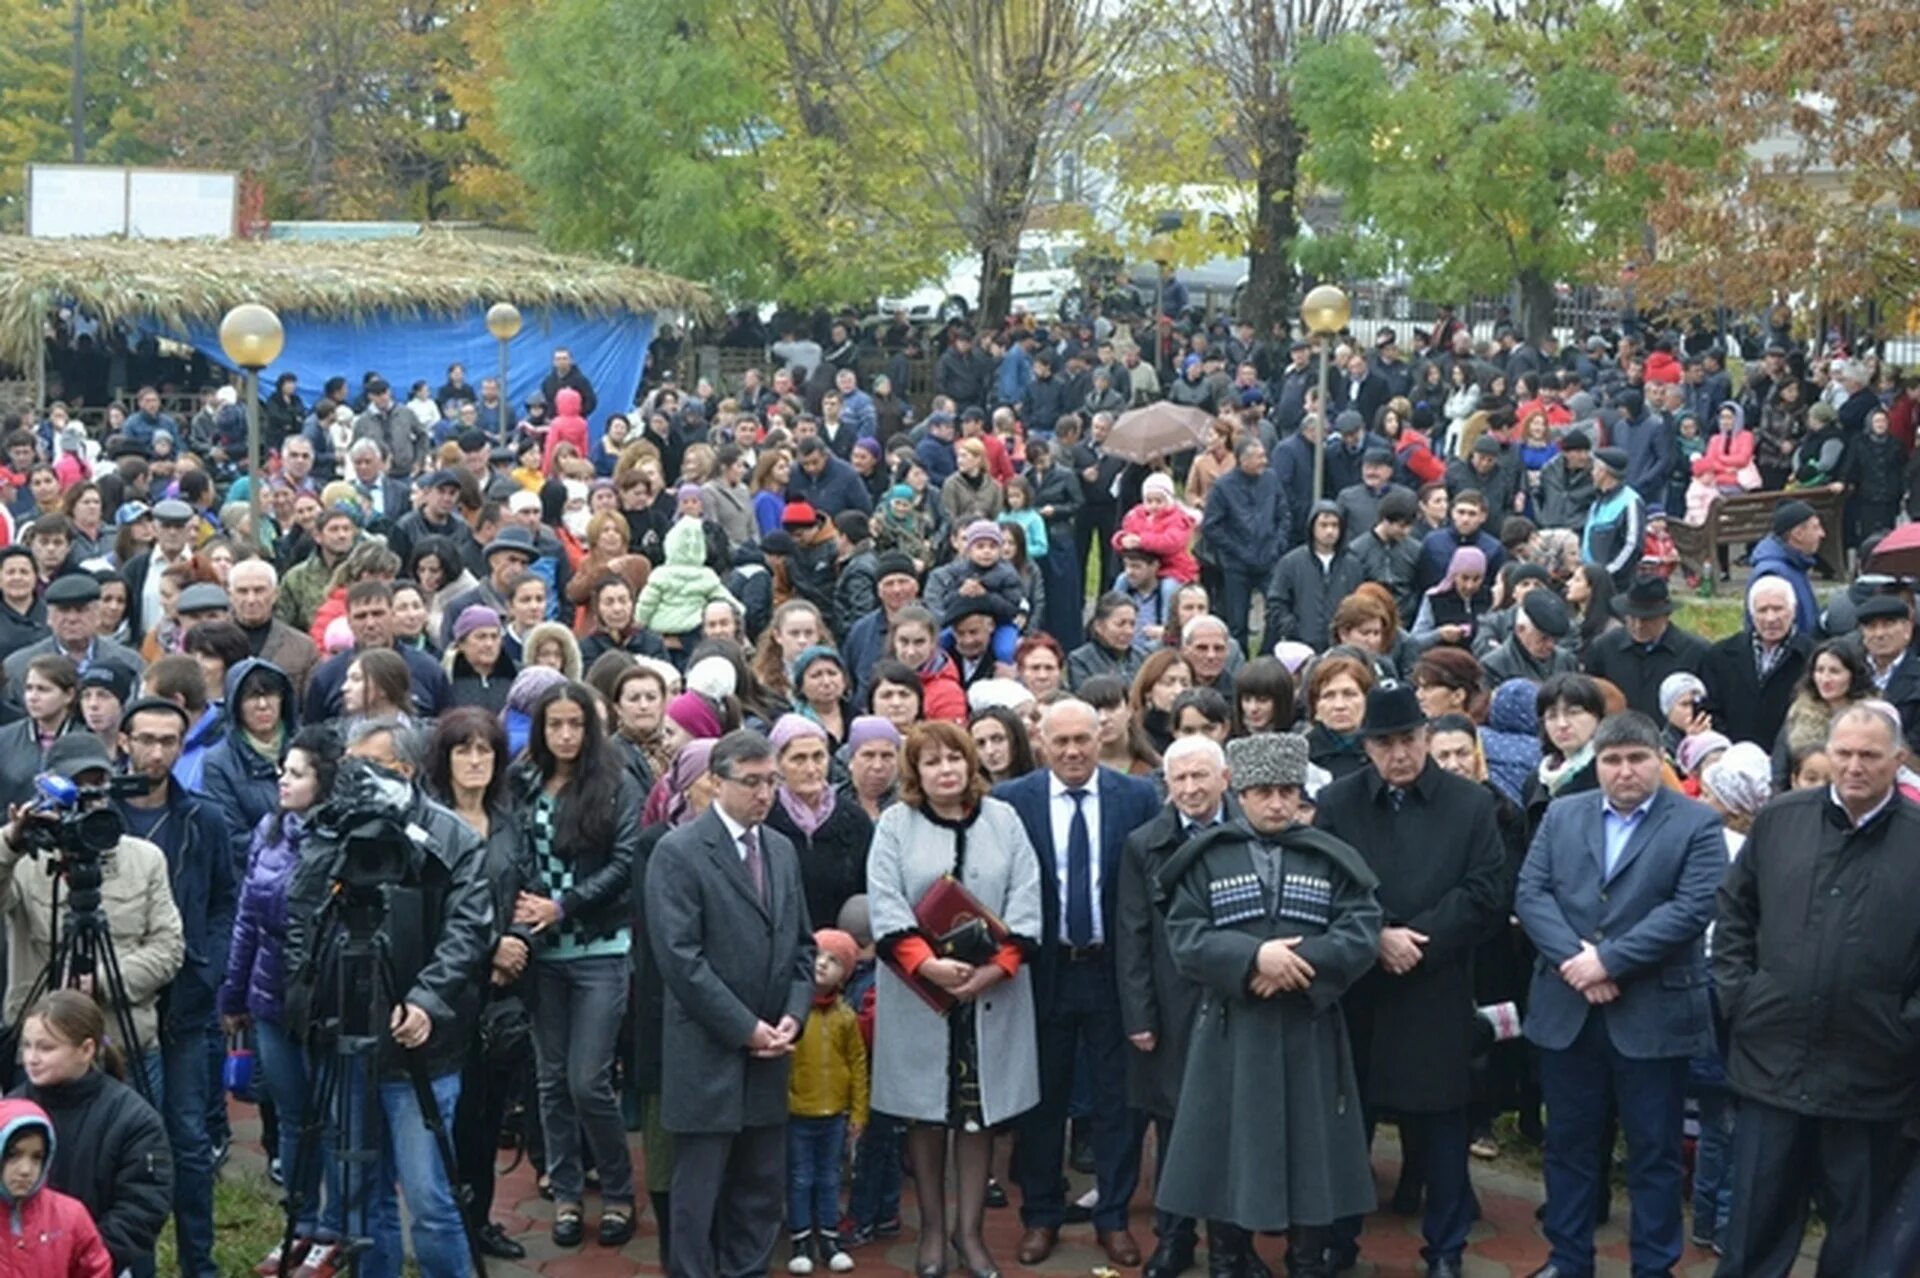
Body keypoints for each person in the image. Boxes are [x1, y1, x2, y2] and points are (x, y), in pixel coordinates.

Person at [1152, 731, 1383, 1278]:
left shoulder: (1333, 858)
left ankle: (1307, 1260)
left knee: (1312, 1147)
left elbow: (1361, 931)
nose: (1277, 803)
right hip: (1231, 1031)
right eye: (1263, 792)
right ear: (1239, 791)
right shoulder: (1207, 857)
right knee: (1225, 1146)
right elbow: (1184, 935)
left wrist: (1295, 970)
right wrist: (1253, 959)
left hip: (1309, 1028)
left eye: (1288, 791)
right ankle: (1227, 1259)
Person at [1514, 711, 1726, 1278]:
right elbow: (1532, 893)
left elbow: (1692, 909)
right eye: (1612, 760)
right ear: (1598, 764)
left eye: (1637, 759)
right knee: (1567, 1147)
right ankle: (1568, 1259)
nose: (1625, 771)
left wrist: (1608, 960)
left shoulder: (1696, 825)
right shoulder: (1562, 814)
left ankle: (1653, 1267)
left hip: (1652, 1014)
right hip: (1569, 1011)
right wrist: (1575, 962)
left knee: (1653, 1155)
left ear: (1658, 760)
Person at [281, 718, 495, 1278]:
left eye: (368, 765)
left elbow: (468, 934)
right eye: (348, 763)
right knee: (357, 1200)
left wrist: (425, 1001)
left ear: (404, 769)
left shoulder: (452, 839)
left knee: (429, 1201)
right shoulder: (331, 829)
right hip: (343, 1039)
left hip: (419, 1047)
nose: (353, 776)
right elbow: (301, 921)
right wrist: (308, 1005)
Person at [1713, 702, 1920, 1275]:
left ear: (1898, 761)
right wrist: (1741, 995)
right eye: (1843, 753)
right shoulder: (1782, 820)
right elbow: (1734, 910)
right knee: (1754, 1234)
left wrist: (1903, 1029)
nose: (1854, 766)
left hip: (1872, 1078)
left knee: (1859, 1242)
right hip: (1771, 1064)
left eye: (1870, 756)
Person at [1315, 685, 1507, 1278]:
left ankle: (1445, 1250)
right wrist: (1376, 938)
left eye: (1407, 740)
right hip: (1359, 989)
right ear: (1366, 746)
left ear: (1426, 737)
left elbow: (1484, 895)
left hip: (1434, 987)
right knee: (1349, 1128)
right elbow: (1323, 888)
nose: (1397, 755)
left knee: (1443, 1130)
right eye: (1384, 743)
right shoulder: (1339, 805)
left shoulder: (1471, 806)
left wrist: (1415, 941)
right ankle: (1336, 1242)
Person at [867, 721, 1042, 1278]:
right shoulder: (895, 824)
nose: (946, 770)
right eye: (932, 761)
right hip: (921, 994)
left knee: (977, 1116)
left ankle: (970, 1235)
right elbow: (886, 901)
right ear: (915, 772)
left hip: (993, 993)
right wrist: (929, 966)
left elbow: (1027, 896)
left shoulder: (1004, 820)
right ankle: (933, 1236)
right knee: (926, 1115)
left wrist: (996, 969)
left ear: (971, 764)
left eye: (955, 759)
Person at [994, 700, 1161, 1268]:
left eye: (1081, 741)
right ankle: (1041, 1215)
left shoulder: (1137, 797)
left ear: (1101, 738)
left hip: (1114, 969)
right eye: (1060, 741)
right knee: (1042, 1100)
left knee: (1118, 1101)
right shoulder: (1011, 802)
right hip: (1043, 970)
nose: (1071, 752)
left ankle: (1113, 1216)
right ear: (1040, 741)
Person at [645, 730, 817, 1278]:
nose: (765, 793)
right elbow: (681, 961)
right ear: (716, 782)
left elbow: (802, 946)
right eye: (752, 782)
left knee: (760, 1190)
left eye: (772, 781)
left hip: (772, 1048)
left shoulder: (782, 849)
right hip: (708, 1051)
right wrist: (747, 1028)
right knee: (698, 1195)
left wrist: (794, 1012)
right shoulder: (679, 852)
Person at [510, 681, 641, 1248]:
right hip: (542, 953)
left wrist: (564, 905)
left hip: (600, 946)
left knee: (589, 1080)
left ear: (591, 729)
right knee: (551, 1080)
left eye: (575, 724)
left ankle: (617, 1191)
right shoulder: (521, 781)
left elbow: (626, 861)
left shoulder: (615, 782)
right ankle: (565, 1194)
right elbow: (510, 850)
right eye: (554, 724)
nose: (565, 735)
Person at [109, 694, 233, 1278]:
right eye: (146, 740)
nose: (156, 753)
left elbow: (223, 902)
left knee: (185, 1138)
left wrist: (207, 967)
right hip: (109, 1003)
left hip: (183, 1002)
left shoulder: (202, 818)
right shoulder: (101, 813)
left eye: (168, 742)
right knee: (120, 1138)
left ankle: (197, 1264)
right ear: (124, 742)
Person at [220, 723, 342, 1273]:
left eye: (295, 773)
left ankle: (335, 1228)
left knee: (333, 1120)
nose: (282, 780)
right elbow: (247, 916)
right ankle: (299, 1221)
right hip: (270, 998)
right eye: (283, 770)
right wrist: (234, 993)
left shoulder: (342, 836)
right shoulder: (270, 828)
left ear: (324, 781)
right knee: (291, 1118)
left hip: (327, 1001)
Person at [1115, 736, 1234, 1278]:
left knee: (1236, 1129)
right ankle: (1175, 1237)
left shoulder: (1248, 831)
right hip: (1170, 1005)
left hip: (1239, 1002)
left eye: (1199, 777)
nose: (1189, 789)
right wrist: (1139, 1016)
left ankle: (1233, 1245)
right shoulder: (1145, 843)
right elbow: (1133, 934)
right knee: (1174, 1128)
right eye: (1178, 779)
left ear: (1225, 778)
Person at [0, 731, 185, 1075]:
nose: (87, 799)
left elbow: (169, 947)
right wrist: (11, 843)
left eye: (96, 785)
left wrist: (100, 983)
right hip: (43, 1052)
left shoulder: (145, 859)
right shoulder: (24, 860)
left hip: (125, 1044)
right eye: (76, 786)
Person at [9, 991, 174, 1276]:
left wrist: (84, 1259)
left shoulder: (133, 1119)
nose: (31, 1059)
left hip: (100, 1264)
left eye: (46, 1048)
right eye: (27, 1046)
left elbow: (142, 1207)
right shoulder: (11, 1111)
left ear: (86, 1050)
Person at [784, 928, 869, 1275]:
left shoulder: (846, 1017)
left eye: (834, 961)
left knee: (830, 1177)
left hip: (835, 1113)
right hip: (797, 1113)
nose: (822, 965)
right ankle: (801, 1238)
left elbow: (858, 1064)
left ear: (846, 973)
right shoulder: (792, 1013)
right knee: (801, 1177)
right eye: (818, 956)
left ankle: (829, 1238)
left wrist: (859, 1111)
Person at [0, 1096, 117, 1276]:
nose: (25, 1170)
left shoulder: (70, 1216)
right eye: (13, 1155)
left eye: (37, 1157)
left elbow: (96, 1271)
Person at [1699, 576, 1808, 754]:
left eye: (1778, 609)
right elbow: (1711, 709)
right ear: (1751, 614)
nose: (1771, 618)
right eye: (1762, 610)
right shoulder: (1720, 655)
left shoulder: (1811, 656)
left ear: (1793, 611)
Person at [1201, 439, 1290, 656]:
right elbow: (1211, 526)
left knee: (1275, 613)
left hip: (1268, 560)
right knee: (1237, 622)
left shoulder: (1271, 479)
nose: (1264, 461)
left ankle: (1266, 657)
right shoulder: (1223, 487)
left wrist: (1277, 546)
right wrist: (1236, 550)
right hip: (1236, 564)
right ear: (1243, 460)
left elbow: (1284, 515)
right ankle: (1238, 664)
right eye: (1259, 457)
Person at [1582, 577, 1709, 722]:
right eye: (1632, 618)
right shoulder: (1603, 648)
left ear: (1666, 616)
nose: (1638, 626)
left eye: (1648, 619)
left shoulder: (1696, 652)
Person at [1746, 499, 1823, 639]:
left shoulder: (1793, 565)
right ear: (1798, 534)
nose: (1822, 534)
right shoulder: (1773, 573)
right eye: (1816, 527)